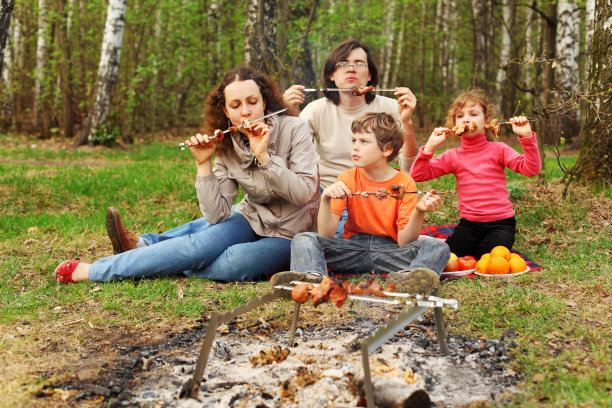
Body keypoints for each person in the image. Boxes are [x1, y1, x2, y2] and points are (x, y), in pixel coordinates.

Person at [54, 67, 320, 284]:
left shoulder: (295, 129)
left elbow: (303, 194)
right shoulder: (226, 144)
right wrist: (203, 165)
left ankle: (157, 260)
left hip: (291, 234)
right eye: (236, 106)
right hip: (251, 217)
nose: (246, 112)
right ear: (226, 112)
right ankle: (94, 271)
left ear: (265, 102)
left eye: (252, 102)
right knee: (198, 247)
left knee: (232, 263)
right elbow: (216, 216)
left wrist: (264, 157)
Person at [272, 113, 450, 295]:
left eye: (363, 141)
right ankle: (311, 279)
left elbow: (405, 241)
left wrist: (419, 212)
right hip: (351, 250)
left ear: (386, 149)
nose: (355, 147)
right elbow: (326, 233)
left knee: (438, 246)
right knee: (303, 239)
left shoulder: (405, 182)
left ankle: (409, 278)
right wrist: (325, 199)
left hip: (390, 253)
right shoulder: (347, 178)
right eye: (354, 140)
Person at [283, 40, 419, 237]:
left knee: (348, 238)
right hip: (329, 192)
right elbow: (287, 154)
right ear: (332, 74)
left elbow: (410, 169)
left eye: (359, 63)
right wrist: (288, 114)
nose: (351, 68)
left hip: (376, 194)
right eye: (343, 64)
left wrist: (407, 123)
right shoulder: (316, 110)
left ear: (370, 75)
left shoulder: (391, 107)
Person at [410, 89, 541, 259]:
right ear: (454, 124)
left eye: (473, 114)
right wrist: (429, 148)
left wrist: (527, 137)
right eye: (459, 115)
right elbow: (418, 175)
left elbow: (530, 170)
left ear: (487, 121)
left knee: (487, 255)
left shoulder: (498, 150)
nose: (466, 119)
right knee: (445, 255)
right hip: (469, 225)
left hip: (500, 224)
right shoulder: (453, 156)